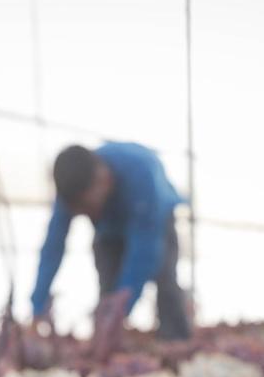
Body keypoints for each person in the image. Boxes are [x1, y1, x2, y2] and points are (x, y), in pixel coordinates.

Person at [30, 143, 191, 341]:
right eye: (80, 211)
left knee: (165, 279)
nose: (85, 213)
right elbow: (52, 248)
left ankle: (174, 339)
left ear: (103, 179)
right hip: (109, 229)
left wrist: (122, 306)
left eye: (87, 207)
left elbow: (144, 252)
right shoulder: (70, 190)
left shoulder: (140, 173)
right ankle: (107, 341)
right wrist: (37, 305)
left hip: (156, 219)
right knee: (108, 288)